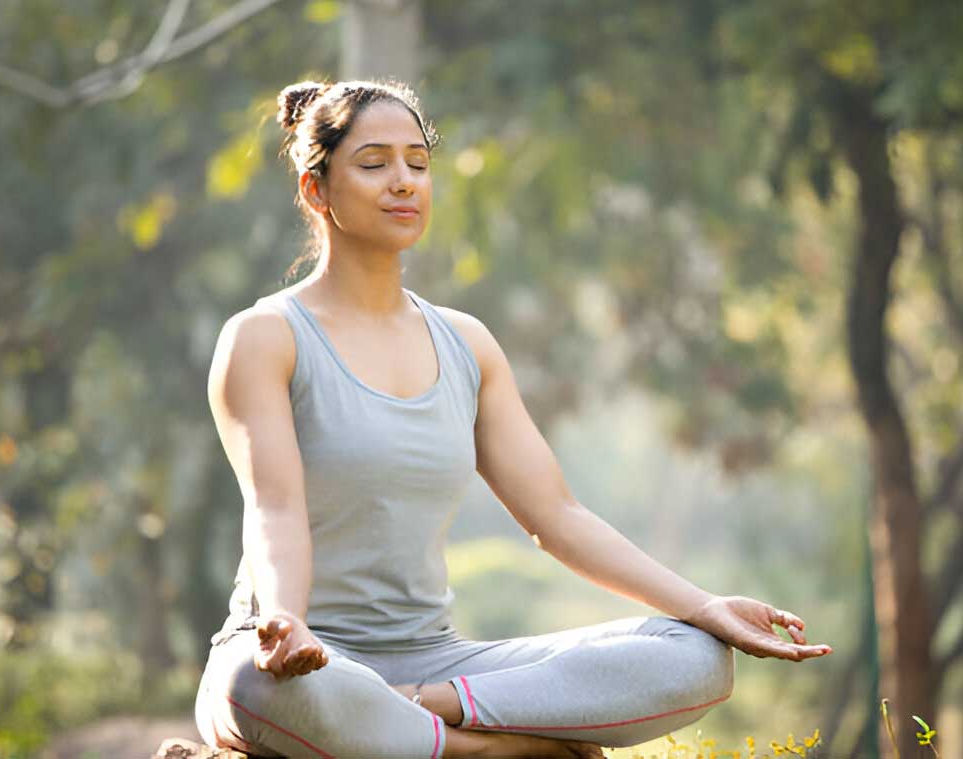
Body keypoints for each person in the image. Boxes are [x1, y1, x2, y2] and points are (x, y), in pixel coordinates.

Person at [193, 77, 833, 759]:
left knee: (694, 657)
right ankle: (492, 749)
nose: (404, 181)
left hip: (435, 666)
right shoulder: (266, 336)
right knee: (249, 689)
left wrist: (705, 606)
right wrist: (286, 617)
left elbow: (556, 515)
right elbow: (275, 509)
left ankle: (428, 716)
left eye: (418, 162)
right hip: (307, 666)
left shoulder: (466, 344)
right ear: (316, 189)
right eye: (375, 164)